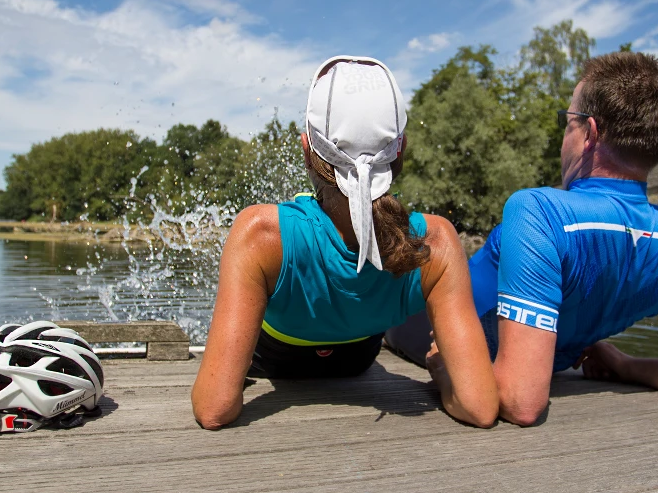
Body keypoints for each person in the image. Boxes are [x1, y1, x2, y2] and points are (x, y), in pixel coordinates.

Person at [386, 51, 658, 426]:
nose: (564, 135)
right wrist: (629, 367)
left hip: (420, 332)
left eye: (567, 120)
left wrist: (444, 370)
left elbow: (521, 403)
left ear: (589, 132)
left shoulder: (541, 212)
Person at [191, 56, 499, 430]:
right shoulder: (435, 241)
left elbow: (214, 409)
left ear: (306, 149)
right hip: (358, 362)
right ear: (401, 149)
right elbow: (479, 408)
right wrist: (442, 370)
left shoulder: (262, 234)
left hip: (272, 364)